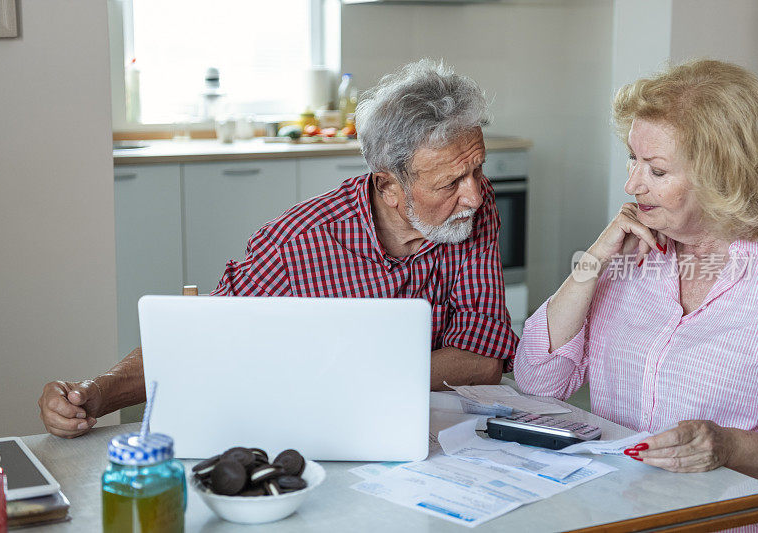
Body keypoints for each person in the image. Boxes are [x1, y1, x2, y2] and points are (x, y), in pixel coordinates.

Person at [38, 59, 518, 438]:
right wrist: (95, 394)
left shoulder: (471, 209)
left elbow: (482, 360)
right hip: (327, 435)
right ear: (390, 187)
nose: (474, 193)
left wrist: (344, 371)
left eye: (477, 169)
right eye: (451, 181)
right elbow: (201, 338)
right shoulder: (297, 243)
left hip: (443, 432)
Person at [515, 59, 758, 528]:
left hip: (727, 521)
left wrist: (727, 446)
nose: (631, 185)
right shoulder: (636, 248)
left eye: (657, 171)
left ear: (722, 176)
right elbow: (538, 382)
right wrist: (591, 263)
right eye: (632, 159)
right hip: (613, 513)